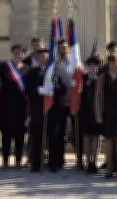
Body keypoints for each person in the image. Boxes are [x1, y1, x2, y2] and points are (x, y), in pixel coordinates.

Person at [96, 54, 117, 178]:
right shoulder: (102, 78)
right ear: (108, 64)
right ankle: (110, 167)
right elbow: (98, 97)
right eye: (112, 62)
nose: (114, 64)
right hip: (108, 112)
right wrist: (98, 114)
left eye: (116, 62)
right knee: (109, 141)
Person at [0, 43, 29, 168]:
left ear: (23, 54)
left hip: (22, 109)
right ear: (12, 53)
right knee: (6, 135)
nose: (18, 54)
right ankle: (5, 161)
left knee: (20, 136)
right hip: (7, 108)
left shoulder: (28, 69)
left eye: (20, 52)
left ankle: (18, 161)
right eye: (16, 52)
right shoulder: (4, 67)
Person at [47, 38, 72, 171]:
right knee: (57, 132)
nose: (63, 50)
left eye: (65, 48)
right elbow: (53, 83)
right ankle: (55, 160)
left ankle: (80, 161)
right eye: (61, 48)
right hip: (59, 103)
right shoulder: (55, 65)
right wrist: (63, 91)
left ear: (69, 49)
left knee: (75, 132)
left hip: (74, 103)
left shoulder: (75, 63)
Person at [24, 46, 50, 172]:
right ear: (37, 58)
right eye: (42, 57)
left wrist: (53, 90)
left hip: (51, 109)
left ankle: (53, 162)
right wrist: (38, 90)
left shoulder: (52, 71)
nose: (45, 59)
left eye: (47, 57)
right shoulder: (31, 72)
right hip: (36, 109)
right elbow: (27, 89)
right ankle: (36, 162)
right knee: (36, 137)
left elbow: (60, 86)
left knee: (52, 137)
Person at [80, 55, 102, 173]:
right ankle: (87, 161)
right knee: (87, 137)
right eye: (91, 66)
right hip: (85, 112)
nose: (93, 68)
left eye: (95, 66)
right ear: (87, 67)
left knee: (96, 138)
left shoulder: (100, 78)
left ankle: (94, 161)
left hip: (97, 112)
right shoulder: (83, 78)